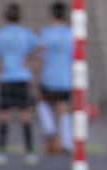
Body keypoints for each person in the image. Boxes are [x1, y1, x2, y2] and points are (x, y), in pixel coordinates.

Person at [0, 3, 41, 165]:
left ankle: (1, 153)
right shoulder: (26, 33)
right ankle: (30, 154)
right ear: (20, 17)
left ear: (5, 17)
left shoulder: (1, 34)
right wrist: (27, 57)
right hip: (22, 77)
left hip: (6, 78)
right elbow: (41, 46)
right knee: (25, 116)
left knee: (4, 116)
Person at [37, 1, 74, 156]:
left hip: (49, 76)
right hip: (65, 77)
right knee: (64, 109)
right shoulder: (72, 33)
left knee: (42, 102)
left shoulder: (46, 33)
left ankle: (50, 129)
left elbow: (41, 55)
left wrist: (37, 73)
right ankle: (67, 143)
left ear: (52, 14)